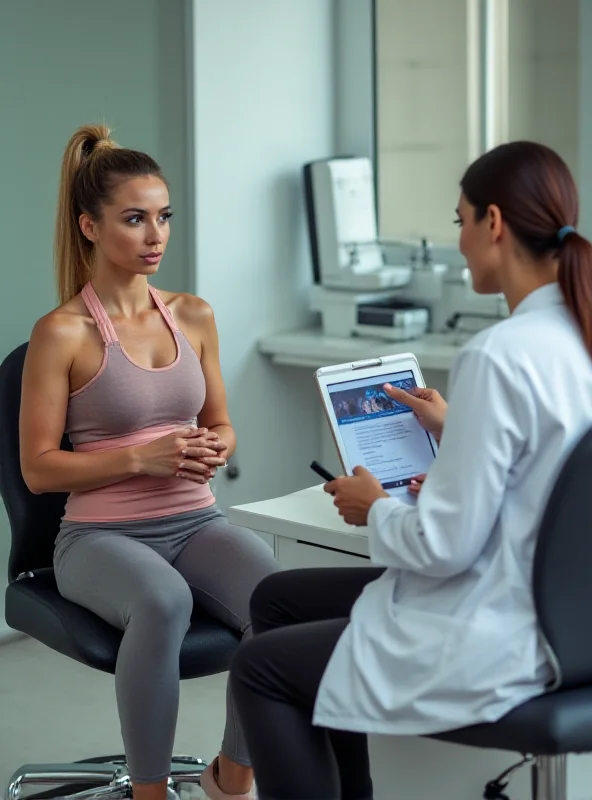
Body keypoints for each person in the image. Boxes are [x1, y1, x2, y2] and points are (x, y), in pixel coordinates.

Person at [229, 140, 592, 800]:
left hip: (506, 627)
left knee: (259, 669)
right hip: (574, 620)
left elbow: (444, 548)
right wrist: (463, 432)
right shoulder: (577, 335)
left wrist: (376, 507)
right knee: (276, 600)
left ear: (494, 223)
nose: (457, 242)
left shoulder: (499, 354)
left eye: (459, 221)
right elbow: (560, 465)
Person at [19, 124, 279, 800]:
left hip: (195, 524)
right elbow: (40, 469)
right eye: (134, 219)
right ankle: (151, 792)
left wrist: (219, 444)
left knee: (277, 601)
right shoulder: (62, 333)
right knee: (162, 602)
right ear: (89, 226)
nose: (155, 234)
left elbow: (221, 422)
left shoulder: (192, 315)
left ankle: (232, 776)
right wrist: (142, 457)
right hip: (99, 538)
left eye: (163, 217)